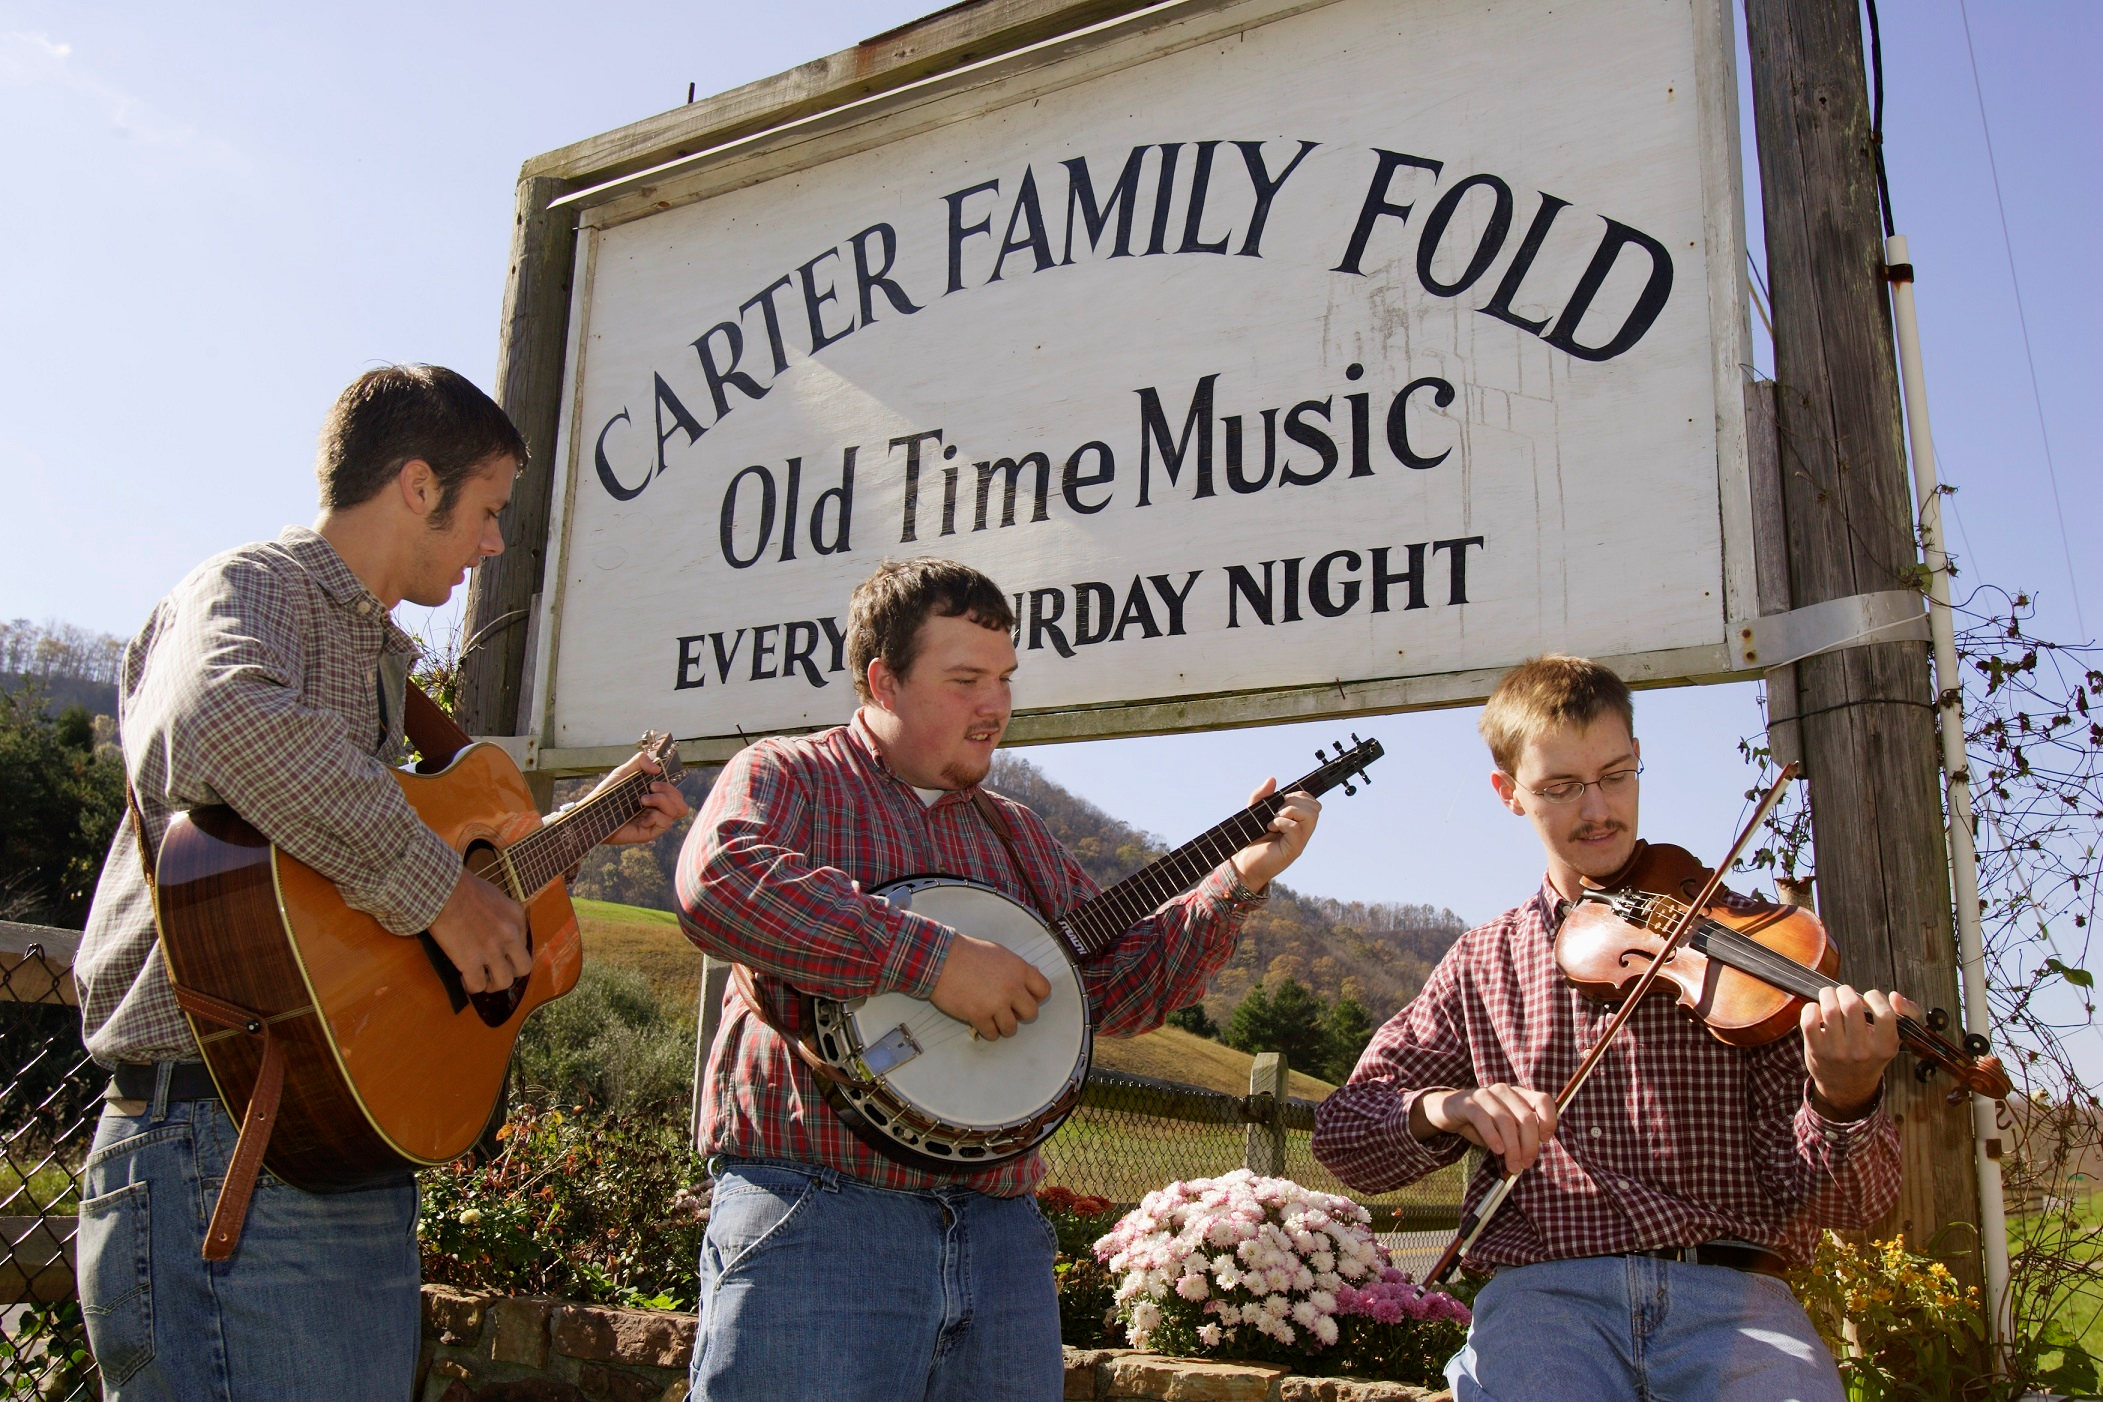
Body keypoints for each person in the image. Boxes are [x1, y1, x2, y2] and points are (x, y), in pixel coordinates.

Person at [72, 364, 689, 1401]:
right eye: (488, 509)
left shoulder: (385, 671)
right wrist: (442, 894)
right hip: (223, 1140)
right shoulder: (256, 586)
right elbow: (222, 723)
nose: (494, 539)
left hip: (319, 1137)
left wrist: (573, 835)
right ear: (416, 485)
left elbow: (354, 890)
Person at [674, 557, 1321, 1401]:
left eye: (1006, 679)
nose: (996, 706)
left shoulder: (1016, 834)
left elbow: (1117, 992)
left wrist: (1234, 885)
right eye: (966, 679)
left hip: (999, 1235)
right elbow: (718, 883)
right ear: (883, 680)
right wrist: (934, 960)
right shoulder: (790, 775)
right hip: (820, 1214)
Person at [1313, 654, 1912, 1401]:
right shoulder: (1481, 962)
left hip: (1732, 1301)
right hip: (1544, 1299)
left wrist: (1843, 1099)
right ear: (1508, 794)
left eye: (1615, 775)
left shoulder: (1748, 950)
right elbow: (1342, 1133)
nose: (1596, 809)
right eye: (1561, 788)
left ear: (1638, 762)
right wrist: (1447, 1108)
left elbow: (1852, 1208)